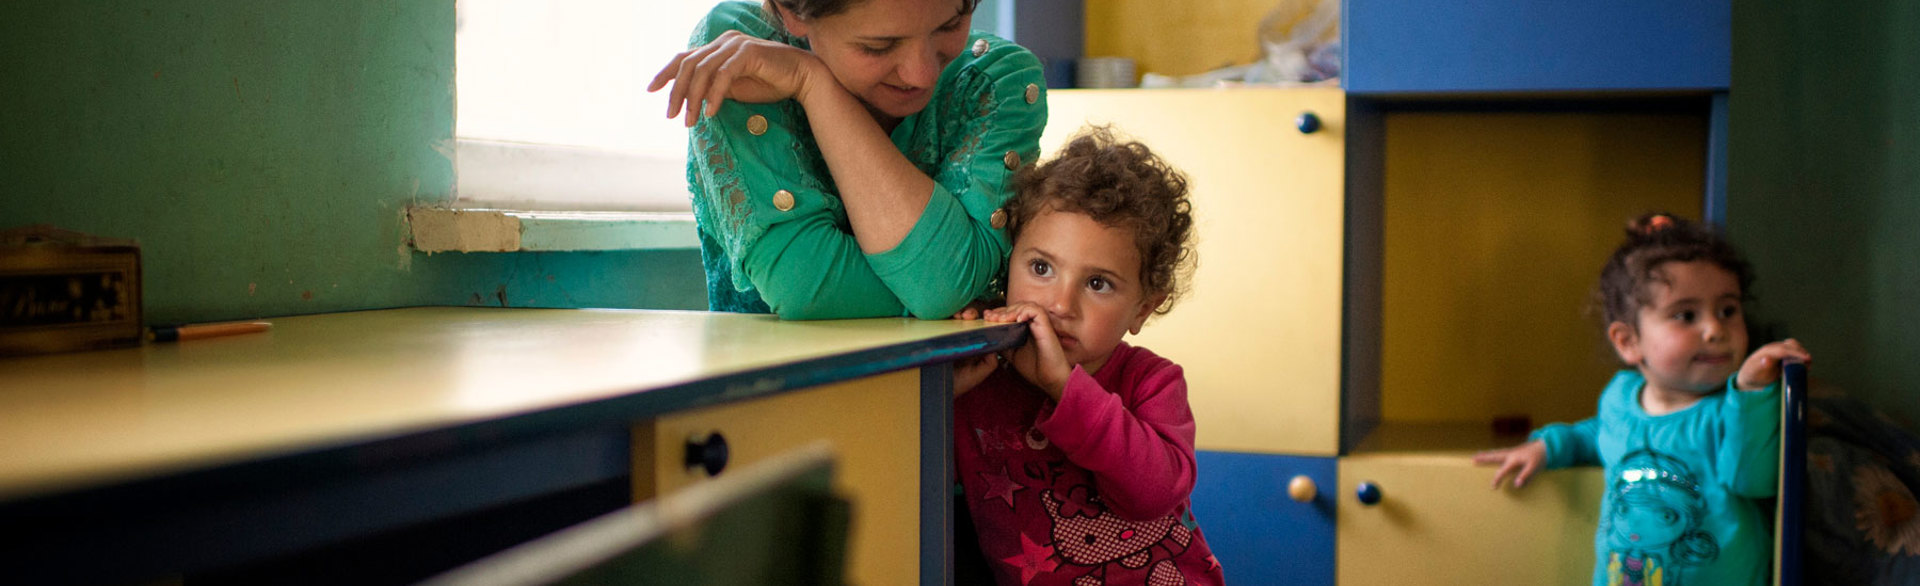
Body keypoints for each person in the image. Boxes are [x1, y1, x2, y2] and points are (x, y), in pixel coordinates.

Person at [1473, 213, 1813, 586]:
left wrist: (1751, 391)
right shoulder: (1619, 397)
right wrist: (1547, 446)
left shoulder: (1730, 411)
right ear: (1628, 341)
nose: (1716, 329)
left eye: (1728, 310)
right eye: (1686, 315)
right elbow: (1598, 434)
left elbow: (1751, 479)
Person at [649, 0, 1046, 319]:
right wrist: (942, 292)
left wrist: (813, 85)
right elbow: (803, 285)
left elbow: (941, 285)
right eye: (878, 46)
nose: (922, 74)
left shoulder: (996, 78)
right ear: (791, 12)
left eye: (950, 24)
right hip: (770, 401)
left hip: (958, 406)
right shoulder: (740, 50)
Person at [950, 127, 1223, 586]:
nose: (1060, 304)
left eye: (1097, 284)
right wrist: (943, 389)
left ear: (1142, 308)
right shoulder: (980, 380)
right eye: (1041, 268)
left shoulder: (1153, 382)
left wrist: (1063, 387)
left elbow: (1153, 493)